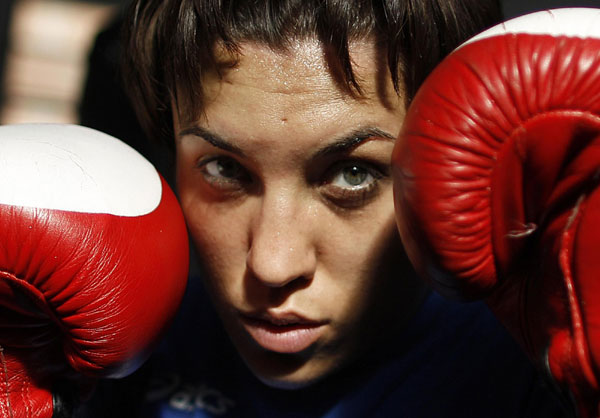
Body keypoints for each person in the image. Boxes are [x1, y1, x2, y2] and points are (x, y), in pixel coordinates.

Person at [80, 0, 571, 416]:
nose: (273, 265)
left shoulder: (525, 371)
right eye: (225, 170)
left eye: (352, 174)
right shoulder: (120, 347)